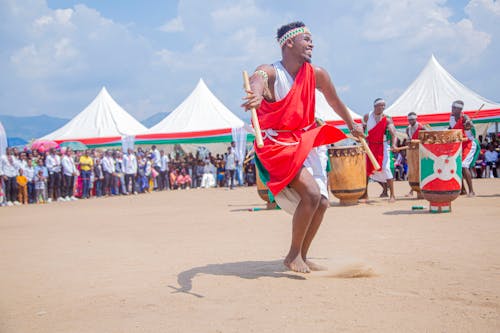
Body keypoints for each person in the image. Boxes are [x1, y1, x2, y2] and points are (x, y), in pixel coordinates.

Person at [242, 21, 363, 273]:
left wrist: (351, 124)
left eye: (311, 40)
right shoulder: (271, 71)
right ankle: (293, 255)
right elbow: (258, 78)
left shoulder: (317, 74)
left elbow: (333, 99)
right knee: (310, 194)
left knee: (322, 202)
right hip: (277, 145)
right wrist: (255, 92)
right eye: (306, 39)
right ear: (289, 43)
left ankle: (301, 256)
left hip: (303, 141)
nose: (312, 44)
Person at [362, 98, 398, 203]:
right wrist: (362, 139)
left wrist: (394, 144)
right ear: (375, 106)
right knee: (368, 169)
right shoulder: (367, 116)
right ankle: (365, 194)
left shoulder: (387, 119)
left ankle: (392, 195)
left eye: (384, 105)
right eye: (380, 105)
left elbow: (393, 133)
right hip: (371, 146)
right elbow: (363, 130)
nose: (382, 107)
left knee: (386, 168)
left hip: (383, 145)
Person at [449, 100, 479, 196]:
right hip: (460, 144)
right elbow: (452, 129)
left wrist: (468, 126)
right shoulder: (452, 118)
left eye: (454, 108)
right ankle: (462, 190)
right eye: (452, 107)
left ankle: (472, 191)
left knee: (463, 165)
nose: (452, 109)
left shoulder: (465, 118)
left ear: (459, 109)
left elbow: (471, 132)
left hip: (469, 143)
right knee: (457, 166)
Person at [405, 111, 425, 198]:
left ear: (416, 119)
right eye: (409, 120)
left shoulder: (421, 127)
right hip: (412, 152)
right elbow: (409, 139)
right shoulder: (407, 129)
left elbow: (426, 139)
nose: (411, 121)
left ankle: (416, 190)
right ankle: (412, 190)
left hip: (420, 151)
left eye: (412, 120)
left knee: (419, 170)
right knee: (412, 171)